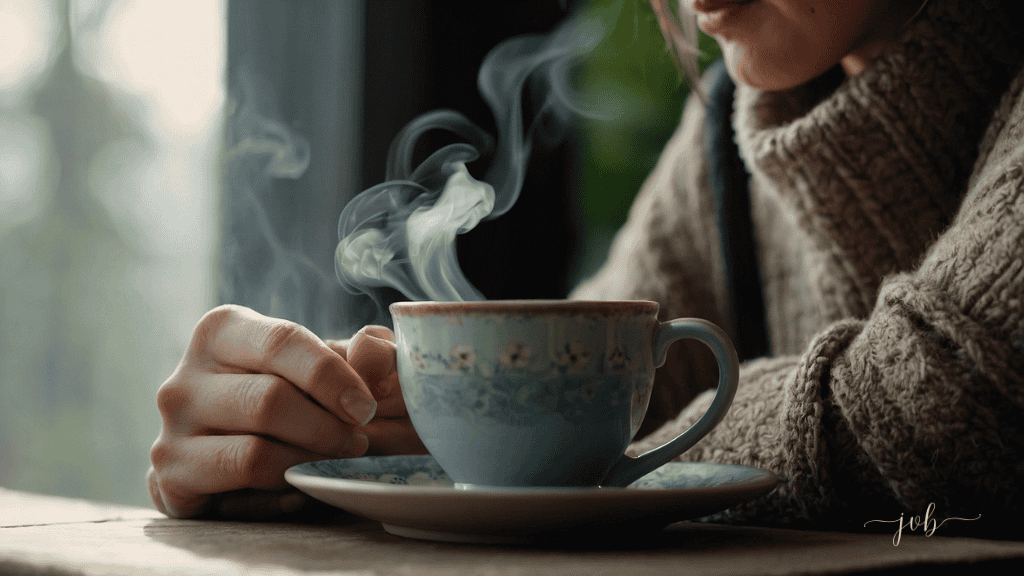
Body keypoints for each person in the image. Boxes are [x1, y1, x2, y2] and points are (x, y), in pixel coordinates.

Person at [149, 0, 1024, 532]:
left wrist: (539, 477)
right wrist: (325, 436)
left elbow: (954, 407)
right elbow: (570, 388)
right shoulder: (729, 135)